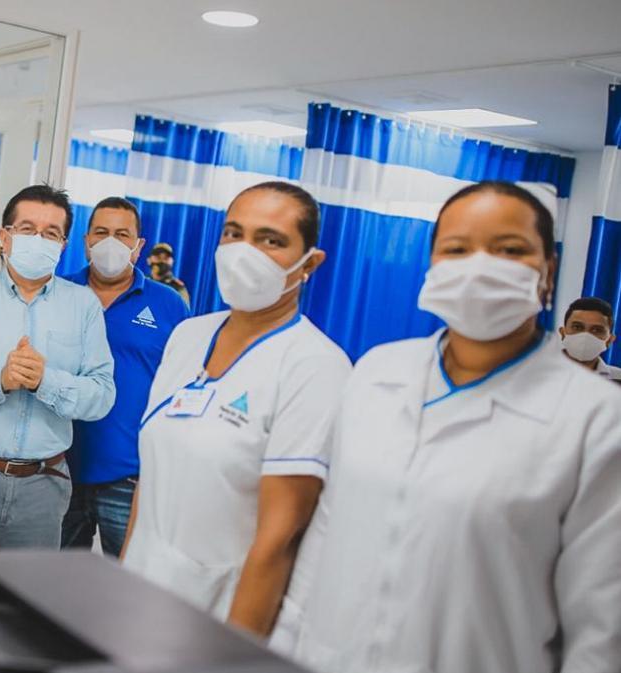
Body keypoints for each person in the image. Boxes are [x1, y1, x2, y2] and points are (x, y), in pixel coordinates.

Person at [292, 181, 621, 673]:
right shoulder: (377, 371)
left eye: (509, 250)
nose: (480, 267)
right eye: (458, 249)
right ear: (432, 264)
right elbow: (325, 532)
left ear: (548, 272)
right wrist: (285, 647)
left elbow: (600, 630)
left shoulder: (597, 419)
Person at [121, 182, 350, 643]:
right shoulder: (188, 336)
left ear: (310, 263)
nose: (245, 252)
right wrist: (123, 586)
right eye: (234, 233)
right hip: (141, 598)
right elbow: (152, 480)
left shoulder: (315, 366)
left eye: (271, 240)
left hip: (220, 618)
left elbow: (279, 540)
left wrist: (233, 654)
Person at [0, 184, 116, 554]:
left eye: (51, 233)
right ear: (5, 237)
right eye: (28, 229)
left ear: (63, 245)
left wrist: (47, 381)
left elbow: (102, 395)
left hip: (42, 482)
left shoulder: (83, 305)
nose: (39, 240)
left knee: (26, 589)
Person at [59, 197, 189, 557]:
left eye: (122, 234)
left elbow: (181, 388)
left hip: (131, 475)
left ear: (138, 245)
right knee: (54, 581)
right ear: (86, 240)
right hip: (58, 469)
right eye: (101, 233)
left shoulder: (169, 305)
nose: (110, 243)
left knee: (129, 578)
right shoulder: (58, 293)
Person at [559, 296, 621, 381]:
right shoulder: (541, 371)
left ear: (609, 340)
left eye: (597, 330)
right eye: (577, 327)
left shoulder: (618, 378)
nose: (586, 335)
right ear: (563, 333)